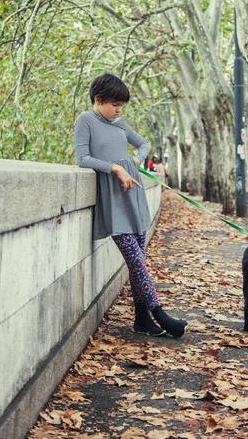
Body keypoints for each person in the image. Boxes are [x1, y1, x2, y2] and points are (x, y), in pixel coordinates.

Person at [74, 73, 188, 338]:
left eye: (121, 106)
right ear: (98, 100)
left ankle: (141, 320)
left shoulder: (120, 123)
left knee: (139, 261)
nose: (118, 110)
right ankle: (160, 315)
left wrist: (135, 162)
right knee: (136, 262)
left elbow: (144, 144)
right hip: (113, 201)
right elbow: (83, 159)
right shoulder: (86, 120)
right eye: (114, 104)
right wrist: (115, 168)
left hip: (133, 196)